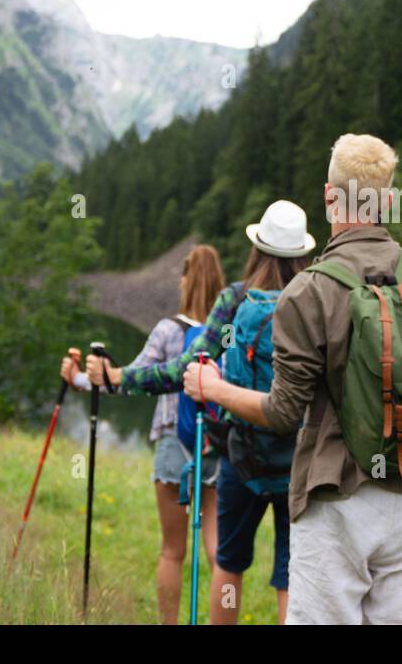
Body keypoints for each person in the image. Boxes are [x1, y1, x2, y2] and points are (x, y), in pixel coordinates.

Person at [184, 133, 402, 625]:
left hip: (337, 496)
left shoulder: (308, 292)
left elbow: (282, 413)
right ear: (392, 201)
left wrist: (216, 391)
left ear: (329, 197)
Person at [88, 201, 313, 624]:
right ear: (302, 253)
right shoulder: (314, 300)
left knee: (228, 565)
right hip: (298, 463)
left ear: (258, 250)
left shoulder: (235, 298)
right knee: (290, 575)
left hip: (240, 456)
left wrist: (118, 378)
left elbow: (184, 368)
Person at [63, 245, 224, 624]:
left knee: (172, 551)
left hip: (173, 446)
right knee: (220, 554)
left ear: (184, 280)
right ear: (219, 283)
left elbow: (125, 381)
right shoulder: (226, 333)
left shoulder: (169, 330)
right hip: (216, 447)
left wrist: (80, 379)